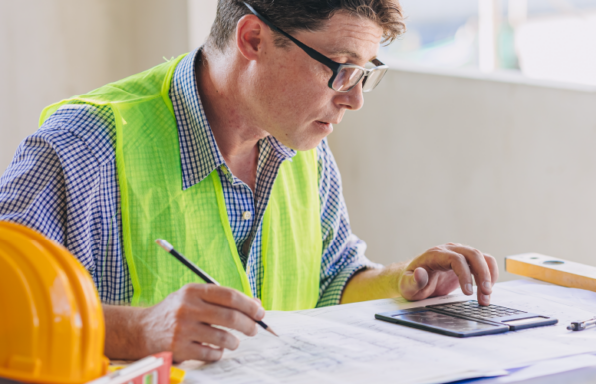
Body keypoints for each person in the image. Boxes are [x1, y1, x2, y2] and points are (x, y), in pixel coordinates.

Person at [0, 0, 498, 362]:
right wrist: (137, 330)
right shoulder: (82, 147)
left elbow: (329, 282)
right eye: (341, 69)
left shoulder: (303, 147)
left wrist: (403, 282)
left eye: (365, 73)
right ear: (253, 39)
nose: (354, 99)